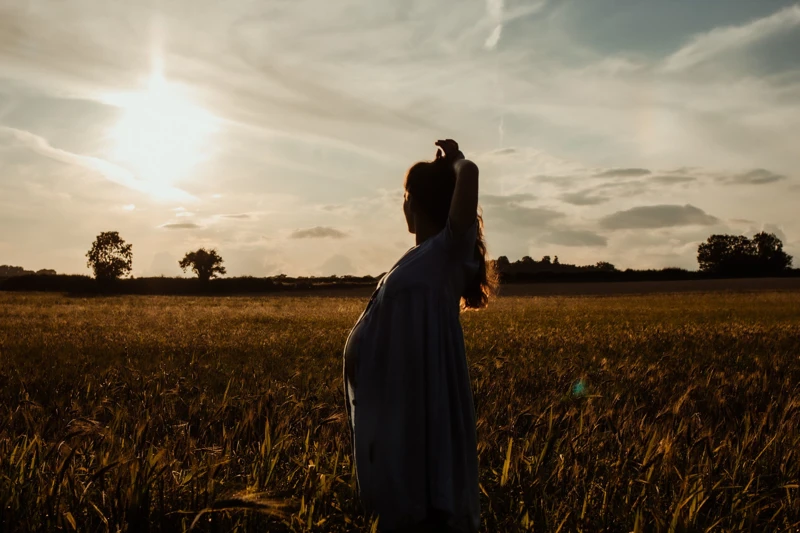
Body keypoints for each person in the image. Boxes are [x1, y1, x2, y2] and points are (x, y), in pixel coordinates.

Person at [343, 139, 497, 532]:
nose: (403, 205)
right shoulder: (421, 257)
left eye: (406, 195)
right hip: (400, 406)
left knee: (422, 505)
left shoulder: (446, 251)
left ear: (419, 203)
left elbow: (472, 174)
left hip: (419, 408)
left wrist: (457, 163)